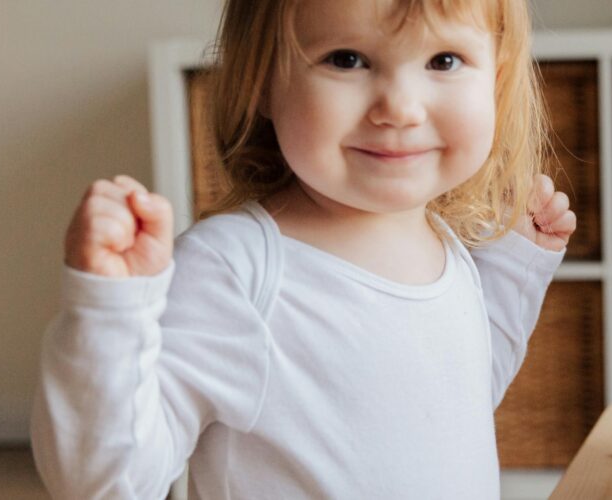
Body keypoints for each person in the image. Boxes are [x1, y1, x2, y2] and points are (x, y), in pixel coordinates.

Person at [30, 0, 574, 497]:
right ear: (261, 81)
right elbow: (104, 481)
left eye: (445, 61)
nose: (401, 108)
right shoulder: (237, 271)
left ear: (496, 81)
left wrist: (509, 269)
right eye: (347, 59)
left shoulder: (446, 249)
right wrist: (109, 311)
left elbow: (459, 401)